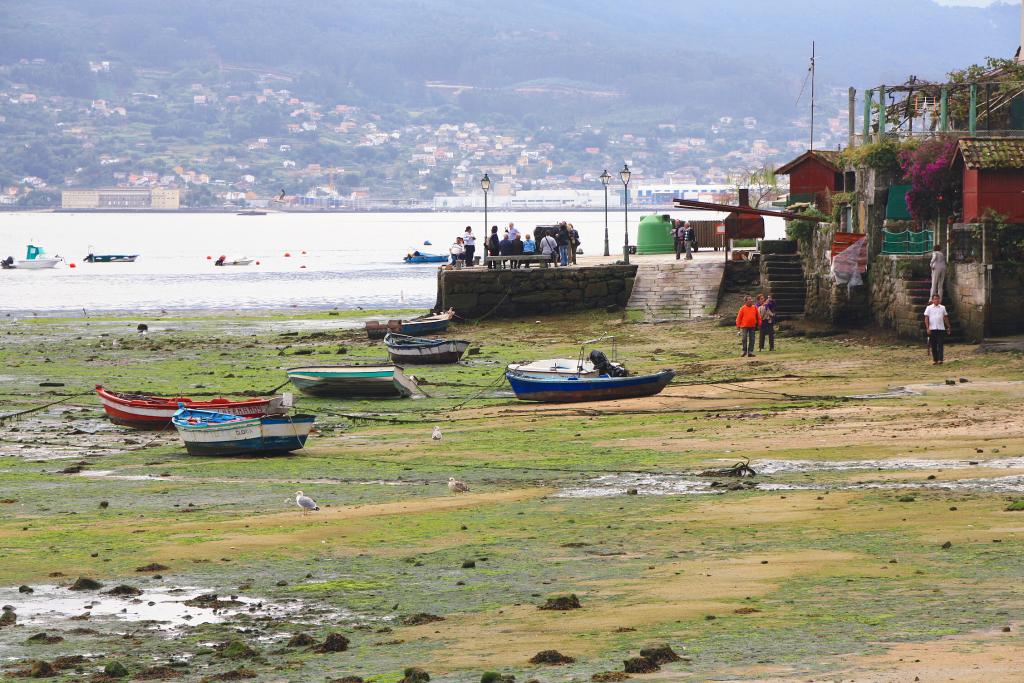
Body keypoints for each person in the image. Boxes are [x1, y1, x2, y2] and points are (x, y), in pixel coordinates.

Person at [923, 293, 951, 365]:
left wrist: (948, 326)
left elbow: (945, 317)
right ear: (932, 300)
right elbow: (926, 318)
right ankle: (935, 359)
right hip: (932, 328)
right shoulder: (929, 308)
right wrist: (927, 328)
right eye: (935, 299)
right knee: (934, 345)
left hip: (941, 328)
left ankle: (940, 359)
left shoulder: (942, 307)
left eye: (938, 299)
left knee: (940, 344)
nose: (937, 300)